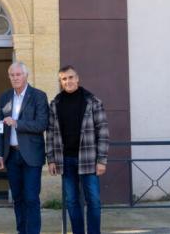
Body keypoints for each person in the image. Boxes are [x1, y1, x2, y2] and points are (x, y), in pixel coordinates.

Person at [46, 65, 109, 234]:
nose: (68, 81)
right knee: (72, 201)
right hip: (66, 160)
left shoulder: (93, 101)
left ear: (77, 78)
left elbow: (103, 131)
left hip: (89, 159)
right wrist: (51, 159)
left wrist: (102, 160)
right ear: (60, 81)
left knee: (93, 201)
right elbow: (50, 133)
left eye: (71, 77)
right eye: (64, 79)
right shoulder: (55, 103)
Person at [0, 61, 49, 234]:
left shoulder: (38, 96)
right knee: (17, 199)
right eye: (12, 75)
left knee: (31, 198)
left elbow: (41, 124)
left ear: (26, 76)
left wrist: (17, 123)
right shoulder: (4, 97)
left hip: (31, 155)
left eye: (18, 74)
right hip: (11, 156)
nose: (15, 78)